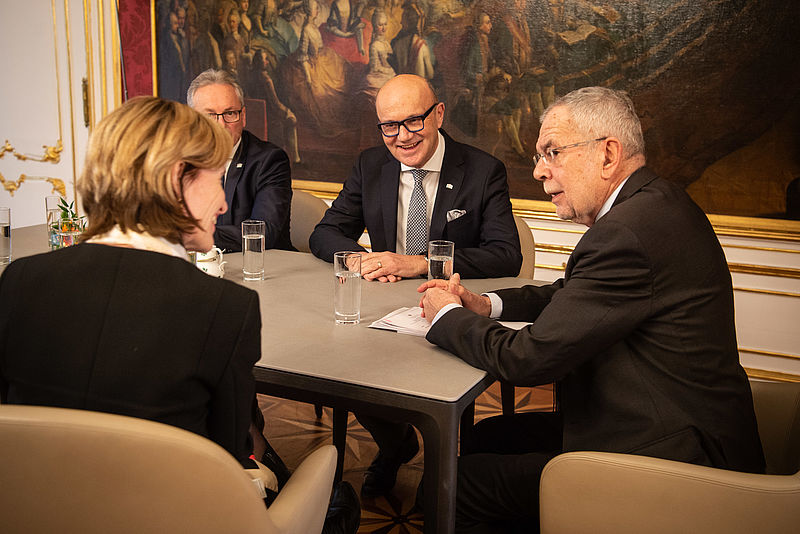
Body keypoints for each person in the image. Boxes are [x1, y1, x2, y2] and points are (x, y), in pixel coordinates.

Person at [0, 96, 359, 534]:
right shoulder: (223, 307)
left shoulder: (19, 281)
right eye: (216, 180)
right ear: (177, 179)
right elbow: (231, 456)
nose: (223, 204)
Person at [417, 87, 766, 532]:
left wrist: (447, 314)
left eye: (552, 152)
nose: (539, 171)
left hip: (675, 460)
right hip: (668, 419)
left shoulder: (627, 232)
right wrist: (486, 304)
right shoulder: (657, 203)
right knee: (487, 436)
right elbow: (576, 294)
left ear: (608, 154)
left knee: (446, 486)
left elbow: (527, 360)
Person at [310, 74, 522, 499]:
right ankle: (396, 443)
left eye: (413, 121)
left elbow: (505, 255)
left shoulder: (482, 171)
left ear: (438, 114)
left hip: (451, 312)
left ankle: (443, 470)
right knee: (341, 367)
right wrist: (362, 260)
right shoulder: (371, 165)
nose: (402, 137)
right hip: (382, 314)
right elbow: (325, 233)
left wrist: (418, 263)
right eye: (390, 126)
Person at [187, 68, 293, 252]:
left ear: (243, 117)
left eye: (229, 113)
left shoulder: (270, 161)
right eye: (209, 115)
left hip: (260, 265)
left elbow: (262, 234)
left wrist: (188, 234)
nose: (221, 125)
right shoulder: (179, 160)